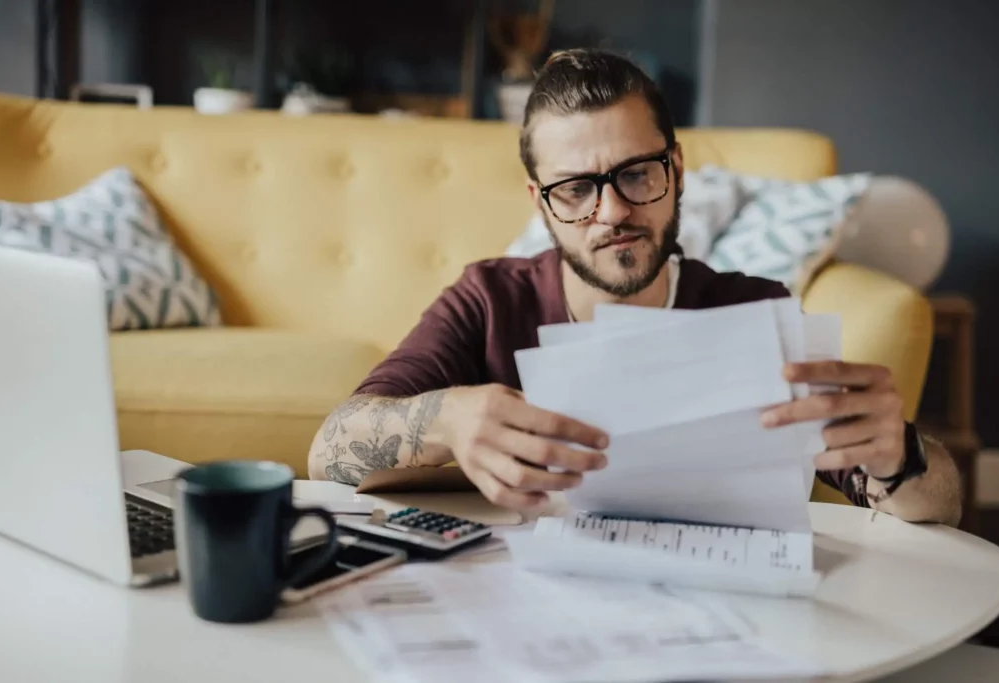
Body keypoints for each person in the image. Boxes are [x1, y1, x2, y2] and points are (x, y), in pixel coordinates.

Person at [308, 49, 962, 527]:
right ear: (540, 202)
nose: (613, 211)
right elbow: (329, 452)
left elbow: (939, 505)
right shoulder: (488, 299)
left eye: (637, 174)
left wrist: (899, 454)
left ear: (676, 169)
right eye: (576, 188)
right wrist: (446, 419)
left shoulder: (752, 311)